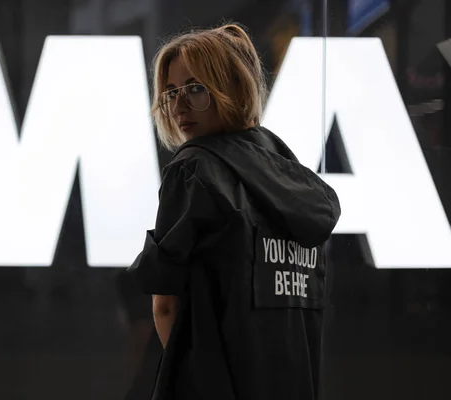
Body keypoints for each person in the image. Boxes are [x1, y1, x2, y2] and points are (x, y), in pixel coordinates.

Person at [127, 22, 341, 400]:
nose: (178, 106)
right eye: (171, 93)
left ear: (232, 88)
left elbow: (164, 306)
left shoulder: (194, 168)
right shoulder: (288, 174)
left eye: (195, 89)